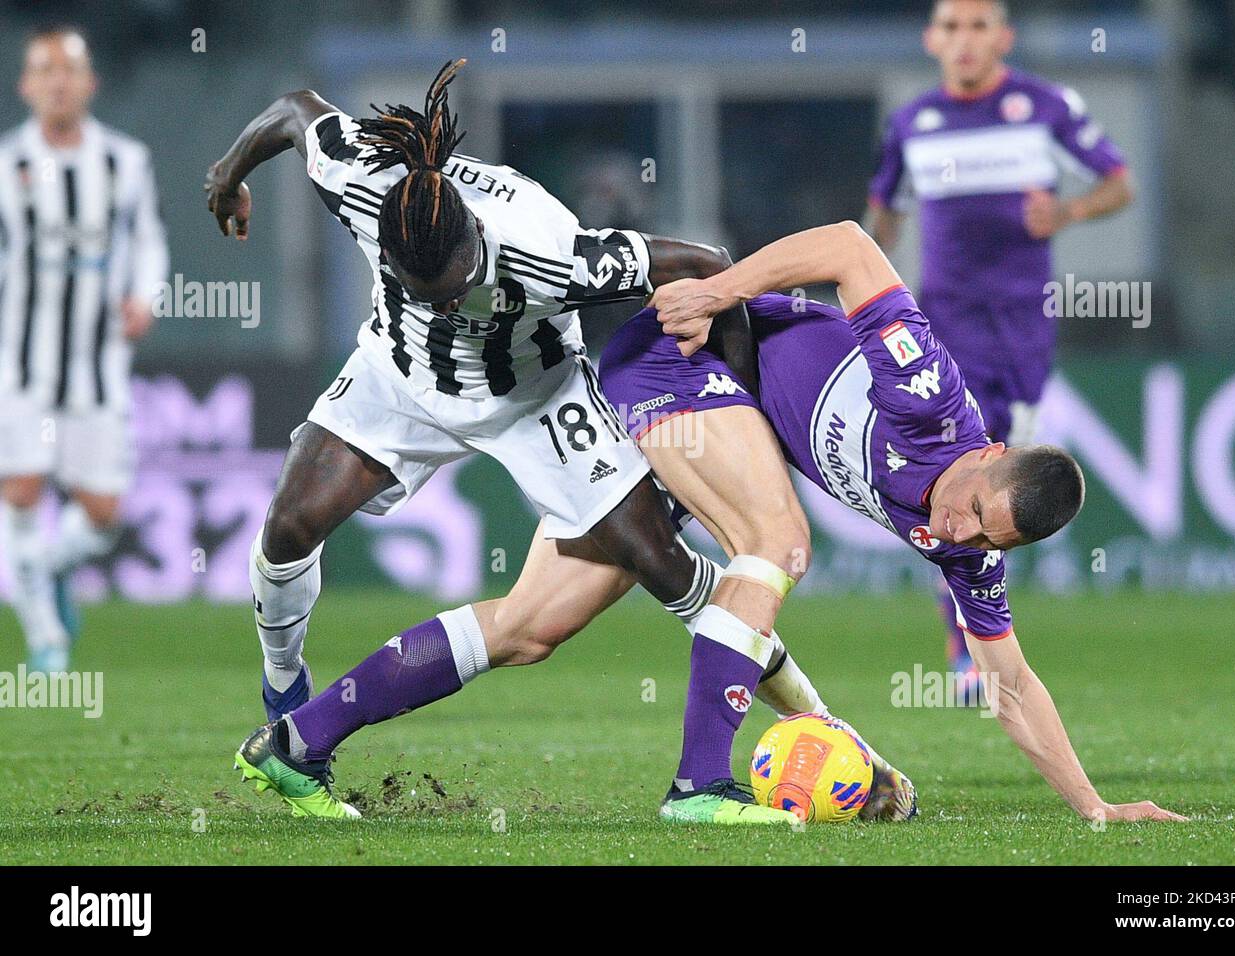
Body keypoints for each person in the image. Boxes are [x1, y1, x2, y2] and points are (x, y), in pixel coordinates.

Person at [206, 59, 802, 825]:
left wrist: (738, 401)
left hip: (537, 395)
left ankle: (725, 770)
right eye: (433, 291)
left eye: (459, 282)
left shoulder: (552, 250)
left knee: (666, 568)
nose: (451, 299)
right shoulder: (361, 183)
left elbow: (710, 269)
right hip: (399, 377)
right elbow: (294, 110)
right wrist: (227, 177)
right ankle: (289, 706)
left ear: (471, 233)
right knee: (288, 525)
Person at [646, 221, 1185, 823]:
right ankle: (698, 788)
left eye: (986, 539)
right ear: (990, 453)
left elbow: (1010, 685)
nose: (958, 533)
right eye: (976, 511)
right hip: (693, 350)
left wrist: (1095, 807)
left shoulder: (968, 551)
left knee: (531, 632)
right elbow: (848, 246)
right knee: (778, 545)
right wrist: (718, 292)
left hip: (721, 412)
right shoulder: (929, 397)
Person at [866, 0, 1134, 680]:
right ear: (932, 38)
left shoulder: (1044, 106)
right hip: (942, 328)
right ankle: (965, 651)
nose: (964, 40)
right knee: (952, 481)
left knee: (997, 491)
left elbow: (1119, 183)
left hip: (1018, 328)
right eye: (951, 26)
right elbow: (884, 214)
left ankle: (979, 637)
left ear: (1002, 37)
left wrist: (1068, 209)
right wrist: (863, 284)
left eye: (979, 25)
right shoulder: (912, 124)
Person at [0, 26, 168, 673]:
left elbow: (151, 240)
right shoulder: (8, 163)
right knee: (20, 491)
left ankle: (42, 570)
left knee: (103, 516)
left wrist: (147, 295)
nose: (58, 81)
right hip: (20, 367)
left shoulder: (124, 160)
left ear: (90, 83)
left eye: (69, 69)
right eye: (45, 69)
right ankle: (46, 640)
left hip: (95, 369)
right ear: (26, 85)